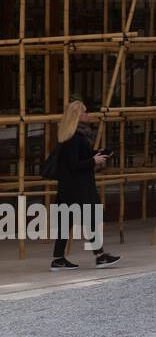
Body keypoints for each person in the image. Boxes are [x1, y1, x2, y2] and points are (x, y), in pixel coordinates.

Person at [50, 98, 120, 271]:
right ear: (78, 115)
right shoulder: (74, 138)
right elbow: (75, 164)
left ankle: (59, 259)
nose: (88, 115)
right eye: (85, 112)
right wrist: (93, 160)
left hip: (71, 188)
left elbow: (81, 157)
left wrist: (100, 153)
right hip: (78, 188)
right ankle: (100, 256)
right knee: (88, 220)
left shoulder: (73, 136)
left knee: (68, 223)